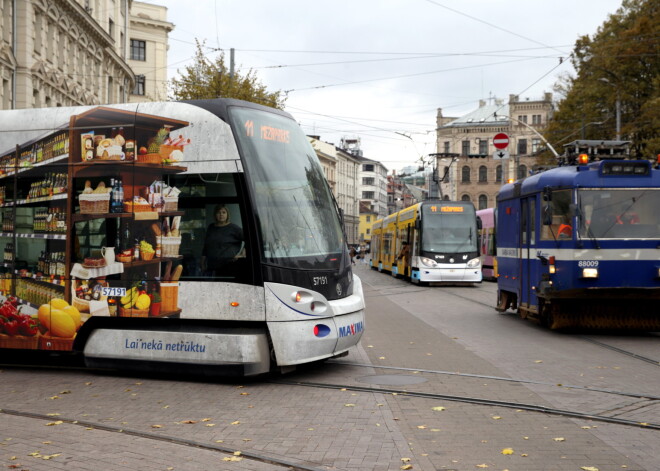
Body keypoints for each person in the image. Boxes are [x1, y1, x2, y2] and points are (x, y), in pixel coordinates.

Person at [201, 204, 245, 276]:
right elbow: (206, 246)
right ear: (215, 214)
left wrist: (242, 254)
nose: (221, 215)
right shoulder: (211, 227)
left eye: (224, 212)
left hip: (228, 267)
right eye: (218, 212)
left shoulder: (234, 228)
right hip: (212, 266)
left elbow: (250, 240)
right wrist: (202, 263)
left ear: (227, 214)